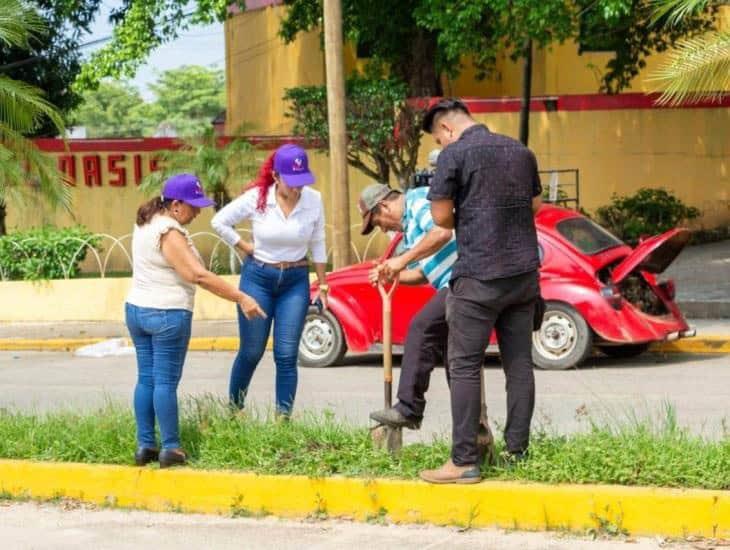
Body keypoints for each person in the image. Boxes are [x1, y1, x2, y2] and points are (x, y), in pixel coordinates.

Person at [386, 99, 543, 484]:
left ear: (447, 130)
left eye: (438, 135)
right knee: (518, 364)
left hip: (478, 276)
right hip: (523, 275)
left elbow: (441, 219)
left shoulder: (453, 157)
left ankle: (464, 461)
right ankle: (517, 451)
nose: (439, 141)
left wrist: (474, 213)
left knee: (464, 365)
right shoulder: (520, 151)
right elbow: (535, 205)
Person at [126, 173, 265, 469]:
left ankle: (145, 444)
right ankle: (171, 448)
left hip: (137, 309)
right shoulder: (169, 231)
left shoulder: (146, 221)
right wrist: (241, 297)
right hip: (166, 313)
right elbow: (196, 275)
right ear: (176, 205)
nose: (198, 212)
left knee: (146, 379)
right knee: (164, 382)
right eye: (193, 205)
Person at [211, 144, 328, 418]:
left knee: (286, 356)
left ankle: (282, 420)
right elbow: (219, 222)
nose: (298, 188)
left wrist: (323, 285)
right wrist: (244, 246)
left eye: (302, 181)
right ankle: (234, 412)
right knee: (251, 352)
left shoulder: (314, 199)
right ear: (276, 176)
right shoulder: (258, 198)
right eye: (292, 182)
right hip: (258, 280)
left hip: (295, 282)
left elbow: (318, 241)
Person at [358, 183, 455, 430]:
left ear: (384, 206)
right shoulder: (411, 227)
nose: (382, 229)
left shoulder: (420, 201)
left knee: (421, 328)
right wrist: (393, 276)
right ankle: (471, 426)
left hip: (460, 282)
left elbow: (441, 232)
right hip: (450, 282)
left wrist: (400, 260)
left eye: (378, 222)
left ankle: (409, 408)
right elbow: (425, 273)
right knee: (455, 358)